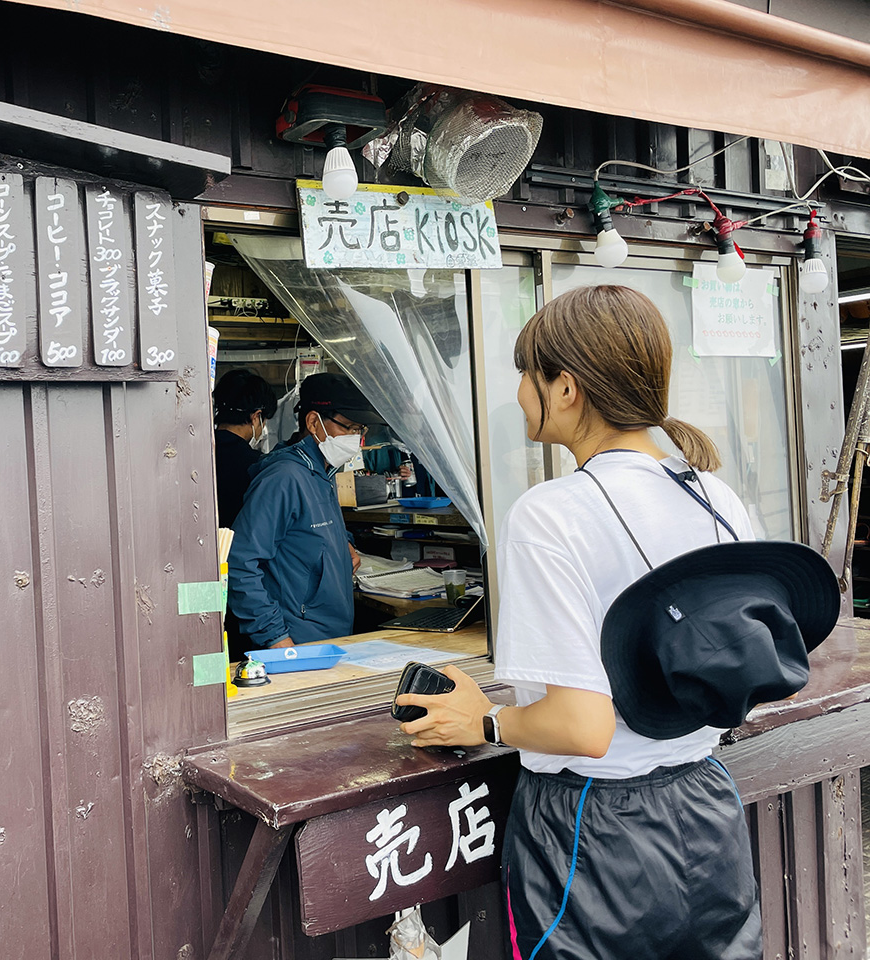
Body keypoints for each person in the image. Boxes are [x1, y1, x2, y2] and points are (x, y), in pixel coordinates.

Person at [395, 286, 763, 959]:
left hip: (595, 830)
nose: (518, 395)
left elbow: (581, 727)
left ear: (564, 387)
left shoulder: (550, 513)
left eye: (525, 377)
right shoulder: (715, 497)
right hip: (708, 809)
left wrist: (484, 721)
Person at [227, 373, 383, 655]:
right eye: (349, 428)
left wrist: (340, 544)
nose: (356, 439)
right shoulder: (283, 478)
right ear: (313, 423)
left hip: (327, 638)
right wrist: (275, 637)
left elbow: (306, 529)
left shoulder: (322, 471)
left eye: (361, 430)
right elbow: (239, 561)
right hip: (296, 643)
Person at [213, 368, 279, 528]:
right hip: (234, 546)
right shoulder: (257, 465)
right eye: (265, 421)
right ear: (256, 417)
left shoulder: (195, 450)